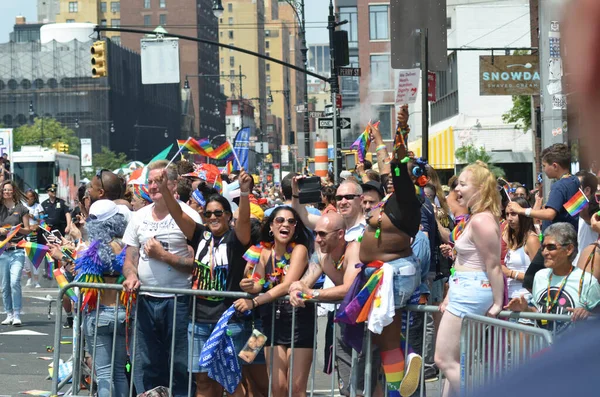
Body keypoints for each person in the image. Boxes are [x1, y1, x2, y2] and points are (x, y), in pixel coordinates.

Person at [157, 166, 253, 397]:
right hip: (198, 320)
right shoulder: (201, 234)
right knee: (202, 380)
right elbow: (178, 215)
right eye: (208, 214)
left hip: (230, 321)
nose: (212, 217)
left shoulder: (236, 238)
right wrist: (164, 191)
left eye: (218, 213)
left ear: (228, 216)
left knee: (231, 380)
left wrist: (245, 193)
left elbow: (245, 221)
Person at [122, 160, 202, 397]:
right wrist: (131, 276)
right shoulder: (138, 217)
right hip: (145, 299)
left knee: (180, 366)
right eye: (150, 181)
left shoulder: (188, 216)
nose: (154, 185)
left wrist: (163, 256)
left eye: (160, 180)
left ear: (174, 183)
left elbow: (196, 265)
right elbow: (130, 259)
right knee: (148, 364)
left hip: (179, 301)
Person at [434, 161, 504, 397]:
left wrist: (497, 303)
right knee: (456, 362)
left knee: (444, 359)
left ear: (481, 188)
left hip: (471, 293)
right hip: (464, 291)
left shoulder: (482, 221)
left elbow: (493, 264)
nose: (457, 190)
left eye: (463, 184)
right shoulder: (478, 218)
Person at [236, 206, 315, 397]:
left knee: (296, 389)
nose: (285, 224)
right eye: (280, 220)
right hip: (271, 322)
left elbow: (287, 285)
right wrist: (248, 284)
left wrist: (254, 302)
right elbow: (259, 283)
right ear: (271, 226)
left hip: (298, 321)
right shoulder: (263, 252)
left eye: (291, 221)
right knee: (278, 387)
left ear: (295, 227)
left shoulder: (300, 250)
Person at [507, 144, 580, 290]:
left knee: (530, 279)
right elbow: (575, 212)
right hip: (568, 240)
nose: (543, 170)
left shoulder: (559, 186)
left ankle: (539, 305)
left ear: (555, 166)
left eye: (545, 165)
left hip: (556, 241)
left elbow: (550, 214)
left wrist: (523, 211)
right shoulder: (575, 181)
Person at [76, 200, 129, 397]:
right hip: (123, 312)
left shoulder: (92, 251)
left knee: (105, 373)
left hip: (99, 313)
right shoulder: (128, 247)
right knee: (119, 373)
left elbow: (82, 284)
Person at [505, 223, 600, 333]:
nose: (545, 252)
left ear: (569, 249)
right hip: (544, 348)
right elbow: (540, 313)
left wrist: (587, 314)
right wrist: (526, 309)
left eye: (551, 247)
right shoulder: (540, 276)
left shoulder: (588, 282)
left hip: (574, 349)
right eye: (543, 247)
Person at [0, 181, 32, 326]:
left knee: (14, 282)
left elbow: (28, 229)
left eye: (9, 190)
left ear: (14, 191)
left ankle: (17, 313)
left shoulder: (21, 208)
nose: (6, 192)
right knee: (5, 285)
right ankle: (9, 313)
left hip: (17, 249)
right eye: (4, 190)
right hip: (2, 251)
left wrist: (17, 229)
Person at [503, 197, 540, 315]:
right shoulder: (512, 238)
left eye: (513, 214)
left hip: (525, 300)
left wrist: (510, 273)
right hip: (510, 299)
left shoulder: (532, 239)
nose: (509, 218)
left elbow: (539, 276)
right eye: (507, 214)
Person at [23, 189, 44, 288]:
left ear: (34, 198)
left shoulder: (38, 207)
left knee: (35, 258)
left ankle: (36, 281)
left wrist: (34, 219)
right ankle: (29, 278)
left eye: (30, 197)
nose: (28, 199)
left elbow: (43, 221)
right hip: (25, 235)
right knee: (26, 258)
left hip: (35, 234)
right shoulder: (22, 206)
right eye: (26, 197)